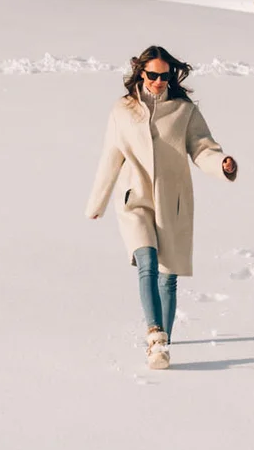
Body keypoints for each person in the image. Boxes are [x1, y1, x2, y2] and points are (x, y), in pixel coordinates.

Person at [85, 45, 238, 370]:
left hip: (172, 201)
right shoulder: (123, 110)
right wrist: (97, 201)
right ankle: (155, 335)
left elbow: (201, 147)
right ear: (141, 73)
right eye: (152, 75)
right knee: (147, 262)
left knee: (168, 277)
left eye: (164, 76)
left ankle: (162, 346)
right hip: (135, 199)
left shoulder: (183, 110)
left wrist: (221, 164)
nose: (157, 81)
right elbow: (111, 155)